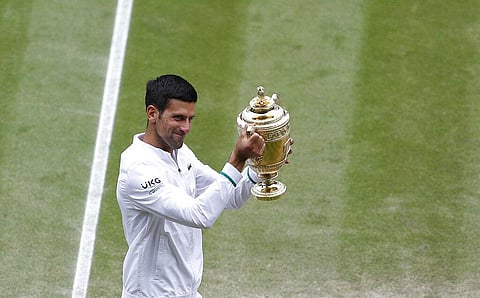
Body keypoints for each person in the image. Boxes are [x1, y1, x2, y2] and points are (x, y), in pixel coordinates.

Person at [116, 74, 272, 297]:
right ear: (152, 113)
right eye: (178, 118)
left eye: (190, 119)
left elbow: (232, 197)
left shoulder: (181, 154)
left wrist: (262, 165)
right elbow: (200, 215)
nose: (186, 127)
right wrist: (237, 159)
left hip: (188, 292)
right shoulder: (138, 169)